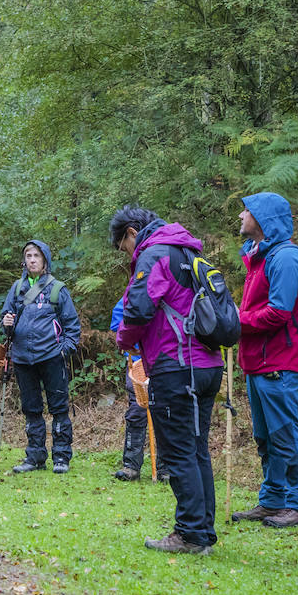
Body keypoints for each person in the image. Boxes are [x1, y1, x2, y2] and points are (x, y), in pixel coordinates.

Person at [111, 205, 224, 554]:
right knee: (197, 449)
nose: (126, 255)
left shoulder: (155, 254)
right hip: (207, 362)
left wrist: (123, 340)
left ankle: (189, 534)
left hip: (177, 365)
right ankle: (202, 530)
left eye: (123, 247)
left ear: (132, 232)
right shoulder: (188, 252)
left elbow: (138, 309)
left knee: (177, 452)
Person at [231, 192, 298, 529]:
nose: (241, 216)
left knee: (286, 433)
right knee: (265, 437)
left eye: (247, 211)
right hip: (258, 362)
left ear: (264, 219)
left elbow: (279, 312)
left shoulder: (286, 258)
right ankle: (273, 500)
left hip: (279, 362)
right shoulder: (260, 257)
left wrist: (237, 322)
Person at [0, 240, 81, 474]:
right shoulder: (17, 288)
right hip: (23, 358)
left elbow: (72, 327)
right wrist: (7, 323)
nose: (32, 259)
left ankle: (61, 458)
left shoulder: (57, 289)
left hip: (51, 357)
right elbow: (7, 320)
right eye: (28, 255)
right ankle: (34, 457)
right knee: (31, 409)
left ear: (45, 259)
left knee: (58, 408)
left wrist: (63, 350)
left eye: (36, 255)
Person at [108, 298, 168, 483]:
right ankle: (131, 466)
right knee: (136, 411)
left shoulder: (170, 287)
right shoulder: (134, 292)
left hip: (166, 360)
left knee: (166, 412)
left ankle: (166, 468)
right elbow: (118, 322)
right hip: (137, 362)